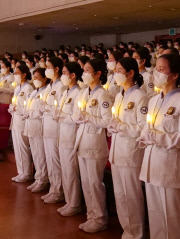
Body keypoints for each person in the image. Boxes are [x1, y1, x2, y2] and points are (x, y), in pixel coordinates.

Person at [137, 53, 180, 239]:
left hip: (170, 168)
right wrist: (145, 136)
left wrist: (158, 138)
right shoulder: (154, 101)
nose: (157, 74)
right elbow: (149, 129)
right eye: (157, 69)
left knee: (171, 219)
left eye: (162, 70)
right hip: (151, 166)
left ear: (174, 75)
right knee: (155, 215)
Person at [106, 57, 148, 238]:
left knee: (131, 195)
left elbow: (142, 128)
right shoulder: (119, 96)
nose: (116, 74)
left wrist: (121, 127)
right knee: (120, 194)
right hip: (117, 150)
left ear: (131, 73)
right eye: (114, 71)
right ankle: (127, 230)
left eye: (119, 71)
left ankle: (136, 232)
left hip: (131, 152)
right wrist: (112, 126)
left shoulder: (141, 97)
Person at [72, 58, 112, 233]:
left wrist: (89, 118)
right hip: (82, 141)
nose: (85, 73)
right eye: (84, 70)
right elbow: (75, 114)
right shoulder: (83, 93)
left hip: (95, 143)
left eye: (88, 70)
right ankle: (91, 215)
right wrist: (79, 117)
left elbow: (107, 121)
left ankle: (100, 218)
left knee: (95, 183)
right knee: (86, 182)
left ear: (98, 74)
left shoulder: (103, 95)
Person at [53, 62, 83, 216]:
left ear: (73, 75)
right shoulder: (66, 92)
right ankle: (68, 200)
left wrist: (63, 116)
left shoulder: (78, 93)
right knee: (65, 169)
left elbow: (77, 117)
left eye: (65, 73)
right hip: (62, 134)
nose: (63, 76)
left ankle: (74, 203)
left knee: (71, 170)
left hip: (71, 136)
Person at [41, 58, 67, 203]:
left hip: (55, 127)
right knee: (50, 160)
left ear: (56, 69)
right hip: (46, 126)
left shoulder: (61, 86)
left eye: (49, 67)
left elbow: (59, 109)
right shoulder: (50, 86)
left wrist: (48, 108)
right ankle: (53, 188)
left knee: (55, 161)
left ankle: (59, 191)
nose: (47, 70)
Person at [24, 68, 50, 192]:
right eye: (34, 77)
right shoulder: (34, 92)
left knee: (40, 154)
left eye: (38, 77)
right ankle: (38, 177)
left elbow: (42, 111)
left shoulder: (46, 92)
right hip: (31, 125)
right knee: (35, 153)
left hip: (39, 125)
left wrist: (31, 113)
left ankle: (43, 180)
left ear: (45, 78)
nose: (35, 80)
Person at [9, 64, 34, 182]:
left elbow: (28, 106)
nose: (15, 75)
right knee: (17, 147)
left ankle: (27, 172)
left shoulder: (28, 88)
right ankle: (21, 171)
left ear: (24, 74)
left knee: (23, 147)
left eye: (17, 73)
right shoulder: (17, 88)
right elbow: (15, 102)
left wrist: (18, 109)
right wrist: (12, 107)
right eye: (14, 73)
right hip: (15, 119)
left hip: (22, 120)